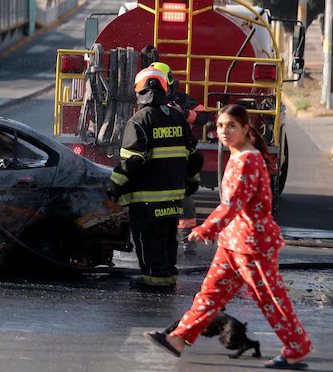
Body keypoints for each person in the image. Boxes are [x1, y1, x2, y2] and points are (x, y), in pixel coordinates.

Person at [144, 104, 312, 369]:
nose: (224, 131)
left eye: (231, 126)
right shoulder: (238, 156)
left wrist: (206, 228)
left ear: (245, 128)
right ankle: (178, 338)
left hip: (252, 245)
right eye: (220, 126)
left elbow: (233, 204)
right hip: (232, 244)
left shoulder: (248, 161)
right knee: (209, 296)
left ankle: (296, 347)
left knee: (270, 299)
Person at [108, 67, 202, 291]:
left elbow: (133, 160)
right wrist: (192, 181)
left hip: (146, 200)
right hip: (173, 198)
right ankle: (168, 278)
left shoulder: (139, 120)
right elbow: (193, 154)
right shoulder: (177, 117)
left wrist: (114, 185)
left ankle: (154, 282)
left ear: (139, 91)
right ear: (164, 89)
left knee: (148, 241)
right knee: (168, 240)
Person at [152, 61, 210, 255]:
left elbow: (203, 117)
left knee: (184, 202)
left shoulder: (181, 99)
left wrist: (183, 113)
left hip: (178, 159)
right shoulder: (146, 100)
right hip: (154, 159)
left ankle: (187, 242)